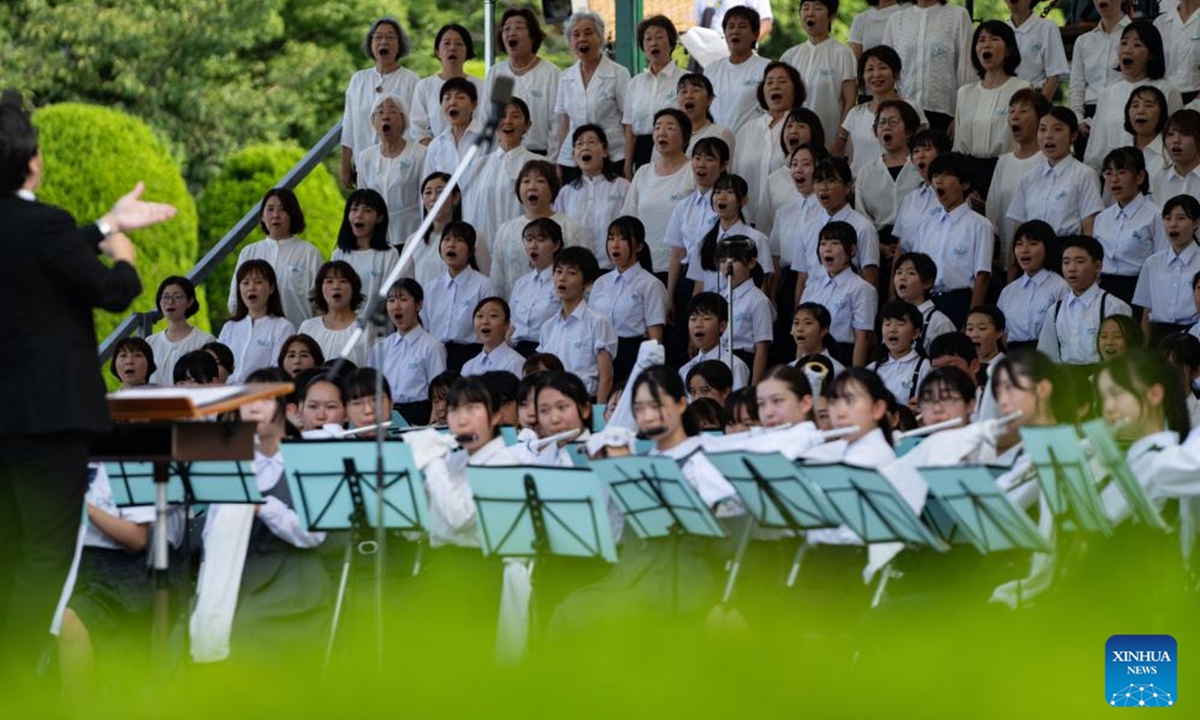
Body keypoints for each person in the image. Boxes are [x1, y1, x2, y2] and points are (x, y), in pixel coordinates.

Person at [0, 93, 176, 674]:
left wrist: (104, 222)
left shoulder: (36, 232)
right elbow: (112, 292)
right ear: (32, 162)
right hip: (49, 421)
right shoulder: (42, 224)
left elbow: (38, 254)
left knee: (10, 554)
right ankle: (19, 677)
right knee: (47, 556)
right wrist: (121, 251)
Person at [953, 20, 1031, 201]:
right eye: (981, 40)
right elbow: (958, 147)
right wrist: (965, 186)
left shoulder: (1021, 89)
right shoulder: (965, 93)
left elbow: (1027, 141)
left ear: (1009, 50)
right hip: (971, 177)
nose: (986, 44)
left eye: (994, 39)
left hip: (1008, 171)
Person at [228, 187, 324, 329]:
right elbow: (235, 302)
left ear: (293, 214)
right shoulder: (249, 252)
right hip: (255, 337)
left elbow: (321, 303)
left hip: (298, 340)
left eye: (283, 209)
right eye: (270, 209)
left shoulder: (309, 253)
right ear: (262, 216)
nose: (276, 215)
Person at [340, 17, 418, 188]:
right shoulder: (358, 79)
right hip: (365, 166)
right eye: (378, 37)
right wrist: (345, 164)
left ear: (399, 45)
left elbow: (416, 127)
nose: (384, 41)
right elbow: (349, 125)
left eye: (390, 37)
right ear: (371, 44)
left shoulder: (410, 80)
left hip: (401, 168)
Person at [555, 12, 631, 182]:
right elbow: (564, 124)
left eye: (588, 33)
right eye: (576, 35)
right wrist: (558, 160)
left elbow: (628, 121)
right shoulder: (565, 77)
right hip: (573, 159)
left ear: (600, 37)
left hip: (613, 156)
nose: (582, 38)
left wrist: (628, 161)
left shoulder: (618, 73)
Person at [537, 247, 617, 401]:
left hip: (585, 402)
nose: (562, 278)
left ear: (587, 282)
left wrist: (599, 417)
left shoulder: (598, 322)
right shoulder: (547, 327)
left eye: (571, 273)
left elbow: (606, 379)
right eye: (559, 271)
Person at [881, 0, 974, 134]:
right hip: (903, 115)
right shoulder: (896, 20)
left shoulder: (958, 15)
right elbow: (887, 67)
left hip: (945, 115)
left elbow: (967, 70)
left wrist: (962, 117)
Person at [780, 0, 858, 151]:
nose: (810, 13)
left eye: (817, 8)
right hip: (794, 144)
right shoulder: (789, 56)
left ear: (831, 16)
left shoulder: (842, 53)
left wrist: (841, 138)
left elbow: (850, 100)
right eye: (805, 8)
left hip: (831, 140)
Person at [465, 98, 543, 245]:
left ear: (527, 125)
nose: (507, 121)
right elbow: (470, 212)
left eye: (515, 116)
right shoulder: (478, 165)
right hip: (485, 248)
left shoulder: (540, 164)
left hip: (528, 248)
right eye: (502, 115)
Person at [487, 7, 559, 156]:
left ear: (532, 36)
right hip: (503, 156)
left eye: (519, 28)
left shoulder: (551, 73)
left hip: (540, 157)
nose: (511, 33)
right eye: (506, 29)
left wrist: (552, 162)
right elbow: (487, 119)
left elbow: (558, 123)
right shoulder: (497, 73)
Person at [356, 94, 426, 246]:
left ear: (404, 120)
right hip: (375, 236)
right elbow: (362, 198)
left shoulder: (420, 154)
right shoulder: (365, 157)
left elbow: (425, 197)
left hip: (411, 234)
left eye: (392, 111)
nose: (385, 116)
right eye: (380, 112)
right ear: (373, 121)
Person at [218, 260, 296, 383]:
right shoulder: (229, 327)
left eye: (258, 282)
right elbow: (218, 365)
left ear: (271, 288)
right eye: (245, 283)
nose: (251, 287)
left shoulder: (283, 327)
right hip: (226, 396)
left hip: (260, 396)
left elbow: (277, 370)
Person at [623, 15, 685, 170]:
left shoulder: (685, 79)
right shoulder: (635, 83)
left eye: (659, 37)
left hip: (676, 149)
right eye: (648, 39)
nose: (653, 43)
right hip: (642, 150)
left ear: (671, 43)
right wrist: (627, 165)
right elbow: (629, 129)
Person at [997, 220, 1069, 351]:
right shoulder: (1008, 291)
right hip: (1013, 357)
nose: (1024, 250)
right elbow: (1001, 331)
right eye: (1019, 244)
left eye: (1033, 244)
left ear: (1048, 248)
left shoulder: (1060, 287)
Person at [409, 24, 485, 145]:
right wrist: (439, 152)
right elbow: (418, 128)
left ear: (467, 51)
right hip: (434, 156)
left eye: (459, 43)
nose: (452, 48)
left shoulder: (480, 86)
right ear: (437, 52)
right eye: (446, 43)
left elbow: (484, 122)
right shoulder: (424, 86)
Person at [704, 6, 771, 133]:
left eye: (742, 26)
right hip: (715, 146)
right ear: (724, 33)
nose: (735, 31)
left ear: (755, 34)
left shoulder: (767, 69)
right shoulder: (711, 70)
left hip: (752, 144)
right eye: (731, 26)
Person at [145, 275, 214, 386]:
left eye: (177, 297)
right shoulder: (150, 342)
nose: (170, 302)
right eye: (165, 297)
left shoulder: (204, 341)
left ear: (190, 302)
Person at [297, 261, 369, 367]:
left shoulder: (367, 326)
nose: (336, 286)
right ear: (320, 288)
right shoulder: (308, 327)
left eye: (343, 281)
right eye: (329, 281)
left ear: (353, 288)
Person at [330, 189, 397, 302]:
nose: (359, 215)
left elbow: (392, 295)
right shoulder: (339, 254)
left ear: (379, 218)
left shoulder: (390, 254)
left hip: (375, 319)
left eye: (367, 210)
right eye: (354, 209)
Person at [1006, 0, 1069, 101]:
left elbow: (1054, 77)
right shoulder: (1001, 30)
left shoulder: (1047, 27)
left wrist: (1038, 108)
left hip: (1035, 97)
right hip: (1003, 99)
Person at [460, 297, 526, 376]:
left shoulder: (516, 363)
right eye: (480, 316)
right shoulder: (468, 367)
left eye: (493, 316)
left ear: (507, 324)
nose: (485, 321)